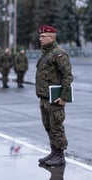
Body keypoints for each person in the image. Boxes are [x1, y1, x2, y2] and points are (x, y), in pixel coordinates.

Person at [35, 25, 73, 166]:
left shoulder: (59, 53)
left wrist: (63, 97)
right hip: (44, 97)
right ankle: (54, 152)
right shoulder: (45, 53)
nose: (40, 39)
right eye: (40, 36)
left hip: (55, 98)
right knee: (48, 126)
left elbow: (67, 76)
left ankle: (60, 155)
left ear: (51, 37)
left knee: (56, 126)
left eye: (43, 36)